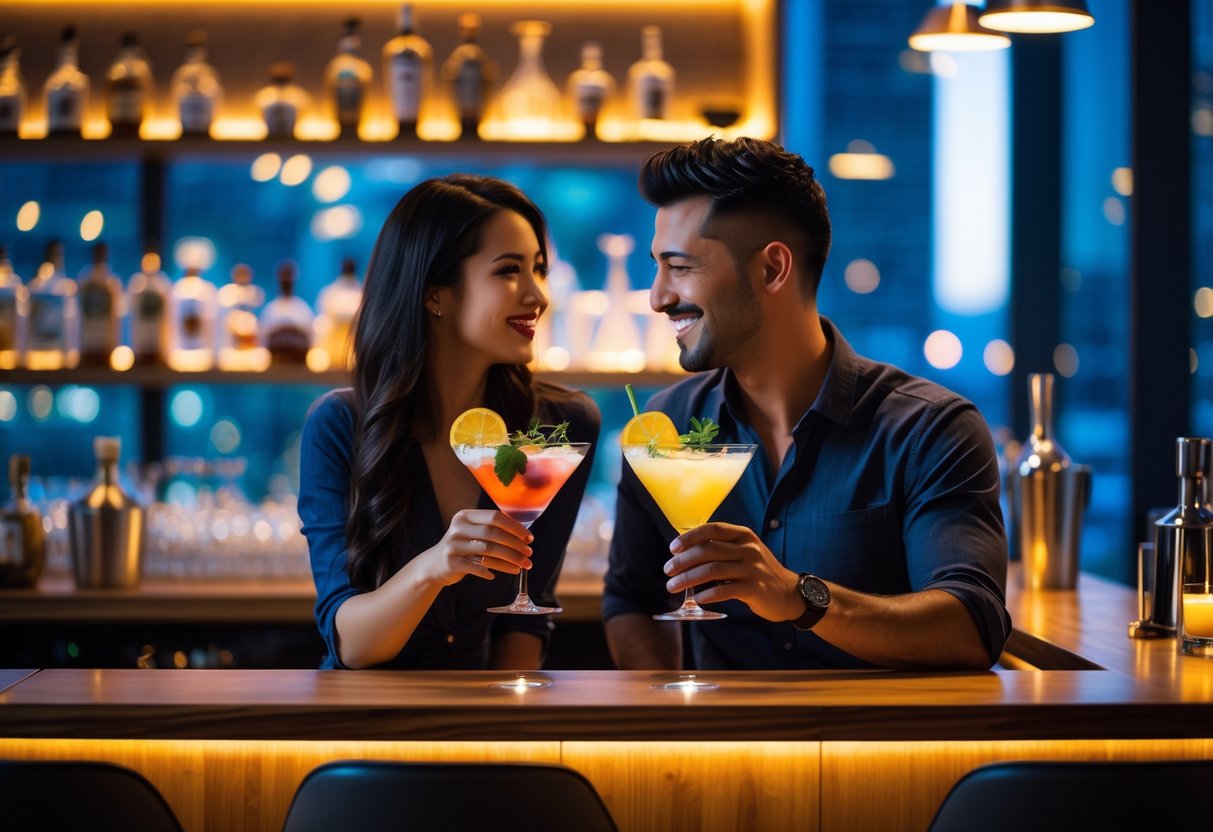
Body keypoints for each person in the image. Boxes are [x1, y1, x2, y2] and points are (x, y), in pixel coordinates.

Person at [603, 137, 1010, 671]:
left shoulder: (930, 430)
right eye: (658, 267)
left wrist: (798, 596)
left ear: (772, 269)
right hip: (718, 750)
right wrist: (673, 714)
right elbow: (631, 600)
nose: (657, 297)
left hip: (881, 747)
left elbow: (972, 626)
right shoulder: (664, 427)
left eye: (679, 267)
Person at [299, 175, 600, 670]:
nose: (538, 295)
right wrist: (433, 567)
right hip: (363, 723)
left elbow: (526, 617)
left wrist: (498, 733)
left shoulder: (559, 428)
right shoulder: (339, 425)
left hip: (488, 727)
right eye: (509, 271)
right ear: (435, 293)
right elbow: (350, 643)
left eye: (540, 270)